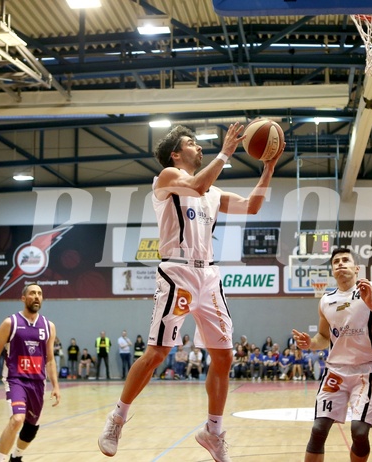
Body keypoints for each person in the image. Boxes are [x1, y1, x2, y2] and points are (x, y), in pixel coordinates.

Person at [98, 122, 280, 461]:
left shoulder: (212, 193)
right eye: (191, 142)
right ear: (175, 154)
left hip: (208, 275)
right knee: (157, 352)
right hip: (177, 272)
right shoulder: (167, 177)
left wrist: (267, 169)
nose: (199, 146)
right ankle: (117, 418)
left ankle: (213, 431)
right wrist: (226, 152)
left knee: (224, 355)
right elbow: (196, 184)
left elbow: (252, 206)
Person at [292, 247, 372, 462]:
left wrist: (371, 304)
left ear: (356, 268)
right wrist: (310, 344)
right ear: (332, 270)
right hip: (336, 371)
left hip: (367, 371)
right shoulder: (326, 301)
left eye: (345, 260)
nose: (340, 264)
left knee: (360, 432)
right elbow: (323, 337)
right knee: (318, 429)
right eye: (336, 262)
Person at [0, 284, 60, 462]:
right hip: (15, 379)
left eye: (40, 293)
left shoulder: (48, 326)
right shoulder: (11, 323)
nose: (37, 296)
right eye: (32, 293)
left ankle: (16, 457)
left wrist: (55, 385)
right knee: (17, 419)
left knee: (31, 428)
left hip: (38, 382)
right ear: (23, 298)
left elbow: (49, 359)